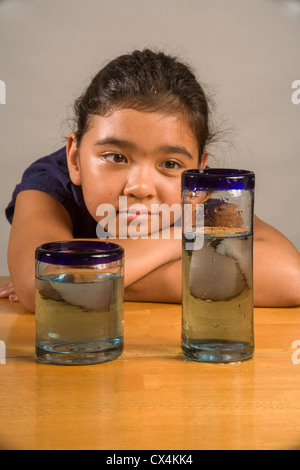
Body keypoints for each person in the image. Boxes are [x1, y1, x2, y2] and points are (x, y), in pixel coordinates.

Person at [1, 48, 299, 312]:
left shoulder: (199, 191)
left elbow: (289, 278)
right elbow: (37, 285)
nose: (140, 187)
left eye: (170, 163)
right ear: (75, 158)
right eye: (116, 157)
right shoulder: (49, 181)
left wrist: (88, 284)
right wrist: (184, 240)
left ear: (198, 170)